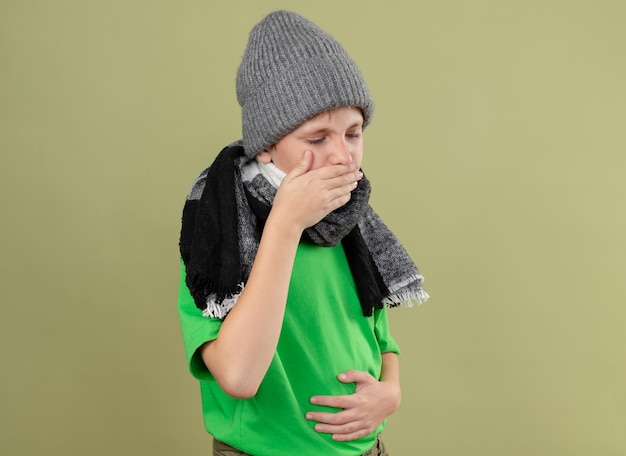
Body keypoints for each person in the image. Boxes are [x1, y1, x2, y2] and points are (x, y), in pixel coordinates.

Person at [178, 10, 429, 456]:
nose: (342, 157)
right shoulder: (217, 230)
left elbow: (380, 340)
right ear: (267, 146)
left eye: (353, 133)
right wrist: (287, 222)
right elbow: (238, 376)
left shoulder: (347, 220)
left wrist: (391, 393)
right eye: (317, 139)